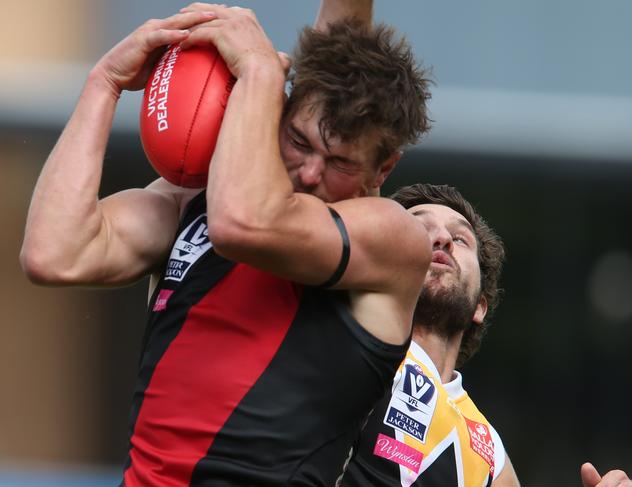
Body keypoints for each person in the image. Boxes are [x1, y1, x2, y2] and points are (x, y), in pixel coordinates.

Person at [20, 1, 433, 485]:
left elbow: (243, 225)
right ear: (281, 115)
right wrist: (104, 83)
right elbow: (54, 253)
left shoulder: (392, 237)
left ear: (383, 171)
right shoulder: (195, 201)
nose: (310, 172)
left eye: (340, 163)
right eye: (298, 142)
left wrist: (258, 70)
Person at [339, 183, 519, 487]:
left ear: (479, 306)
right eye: (418, 229)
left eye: (461, 239)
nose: (443, 238)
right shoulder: (349, 344)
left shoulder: (491, 451)